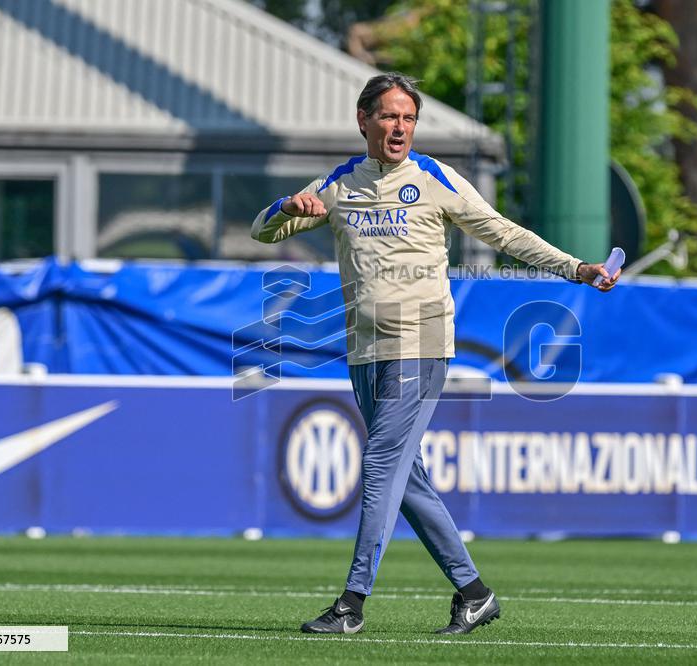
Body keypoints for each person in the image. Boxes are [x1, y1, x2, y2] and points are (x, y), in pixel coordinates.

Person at [251, 72, 620, 636]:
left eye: (409, 118)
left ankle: (351, 605)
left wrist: (577, 268)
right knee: (407, 479)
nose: (400, 127)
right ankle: (475, 594)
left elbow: (503, 233)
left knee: (379, 465)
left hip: (421, 343)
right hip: (364, 348)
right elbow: (264, 234)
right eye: (389, 116)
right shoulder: (339, 183)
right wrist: (285, 206)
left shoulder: (433, 177)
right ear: (363, 120)